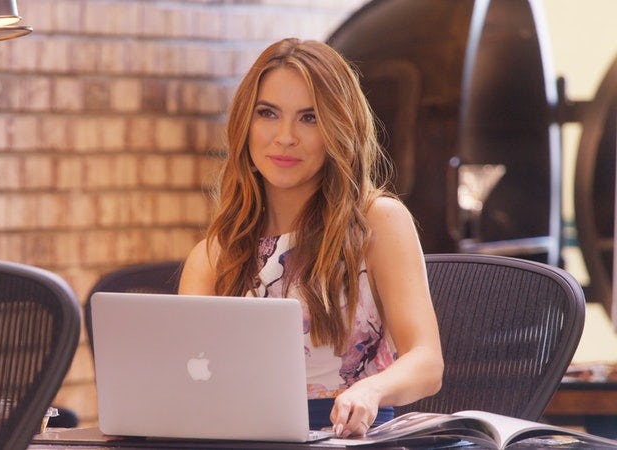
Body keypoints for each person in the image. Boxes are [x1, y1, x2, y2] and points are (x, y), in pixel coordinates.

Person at [178, 38, 444, 438]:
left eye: (310, 118)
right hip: (242, 438)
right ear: (244, 125)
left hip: (352, 437)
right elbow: (184, 380)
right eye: (267, 113)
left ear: (339, 128)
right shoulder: (214, 254)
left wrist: (370, 390)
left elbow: (427, 362)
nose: (285, 137)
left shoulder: (378, 222)